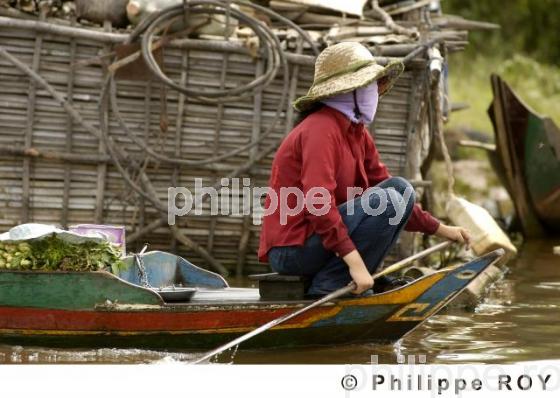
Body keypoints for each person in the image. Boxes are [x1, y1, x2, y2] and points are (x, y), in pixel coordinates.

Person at [258, 42, 470, 296]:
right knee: (390, 200)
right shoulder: (320, 129)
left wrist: (443, 230)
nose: (376, 92)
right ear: (351, 91)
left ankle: (349, 278)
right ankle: (332, 284)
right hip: (292, 249)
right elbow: (319, 204)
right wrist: (356, 264)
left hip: (319, 242)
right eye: (370, 85)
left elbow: (394, 194)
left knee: (400, 190)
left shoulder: (356, 132)